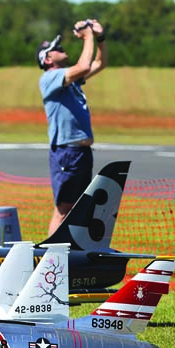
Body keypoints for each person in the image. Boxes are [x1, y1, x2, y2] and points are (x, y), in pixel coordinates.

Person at [37, 19, 107, 236]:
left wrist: (99, 38)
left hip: (80, 151)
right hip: (67, 152)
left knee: (78, 208)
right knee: (63, 210)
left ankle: (70, 257)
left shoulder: (70, 80)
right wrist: (87, 36)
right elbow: (84, 66)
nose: (61, 49)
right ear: (48, 59)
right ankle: (51, 261)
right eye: (55, 49)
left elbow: (99, 63)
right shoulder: (50, 77)